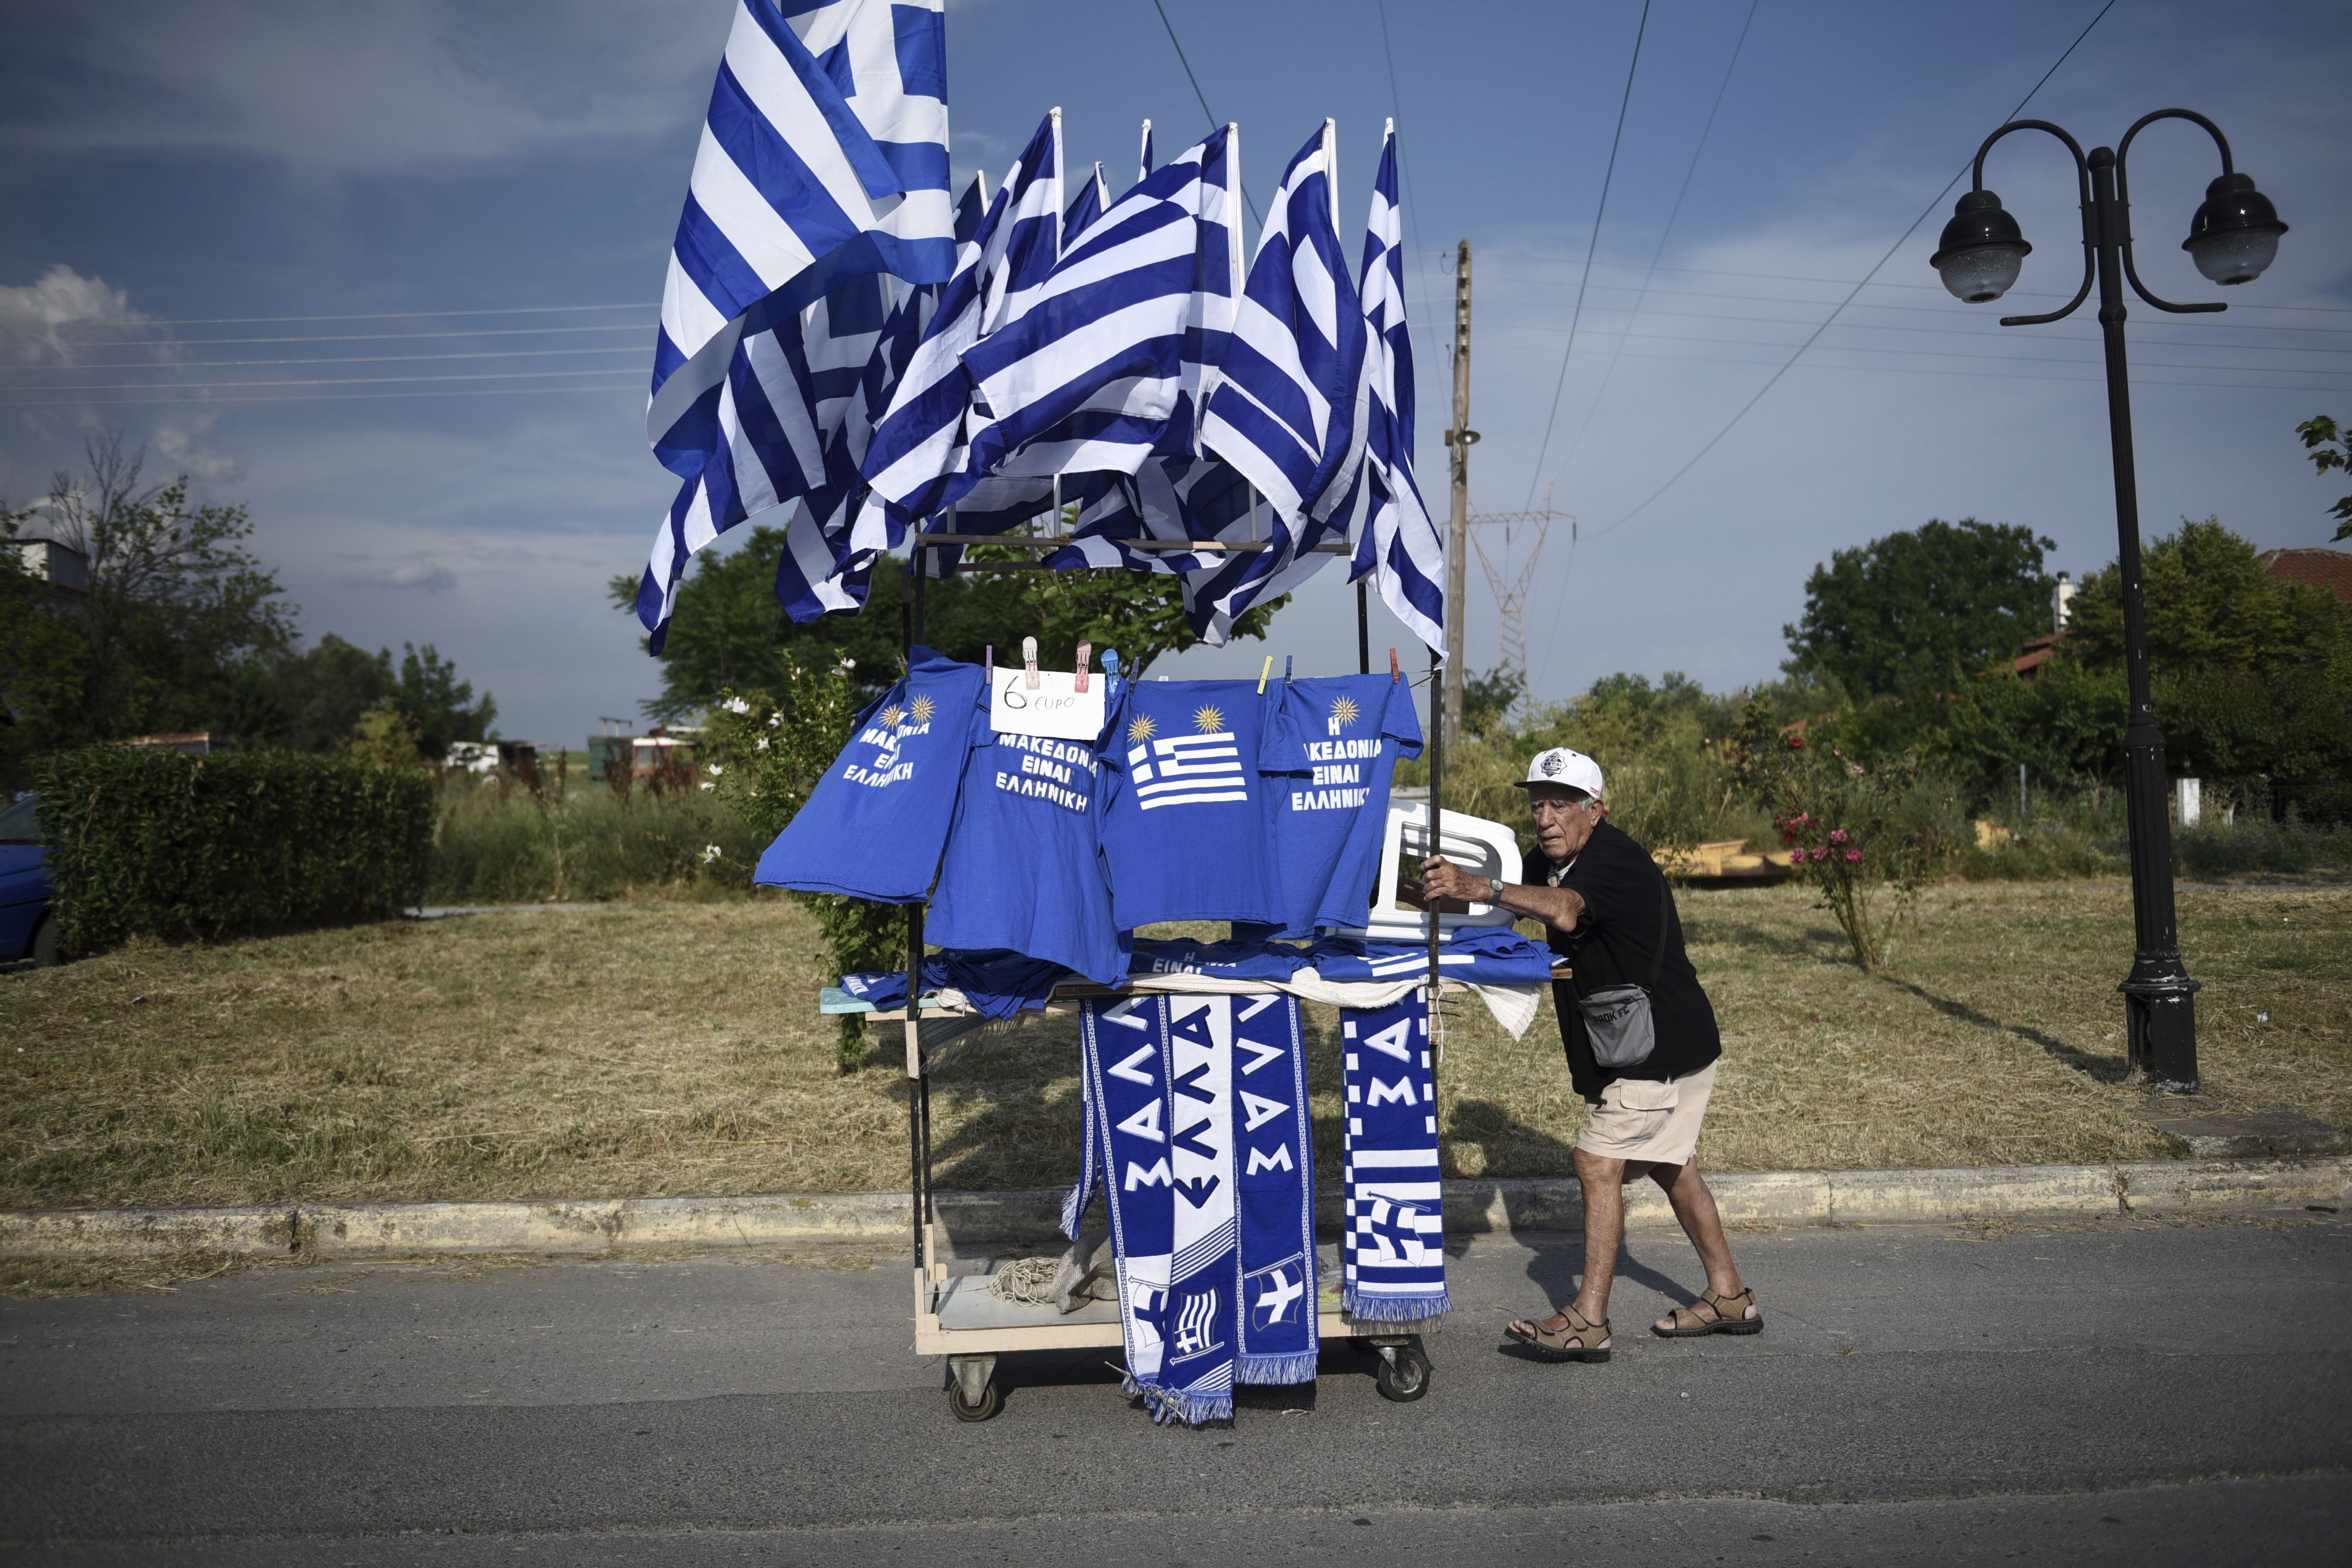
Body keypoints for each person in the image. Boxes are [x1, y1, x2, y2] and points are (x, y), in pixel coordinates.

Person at [1419, 746, 1759, 1360]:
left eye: (1560, 804)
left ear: (1595, 810)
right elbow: (1506, 903)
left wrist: (1482, 883)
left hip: (1654, 1047)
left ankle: (1588, 1320)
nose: (1544, 817)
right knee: (1670, 1164)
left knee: (1595, 1162)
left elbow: (1565, 909)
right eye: (1537, 804)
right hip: (1673, 1037)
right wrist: (1443, 892)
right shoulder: (1550, 859)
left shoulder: (1613, 860)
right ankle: (1731, 1294)